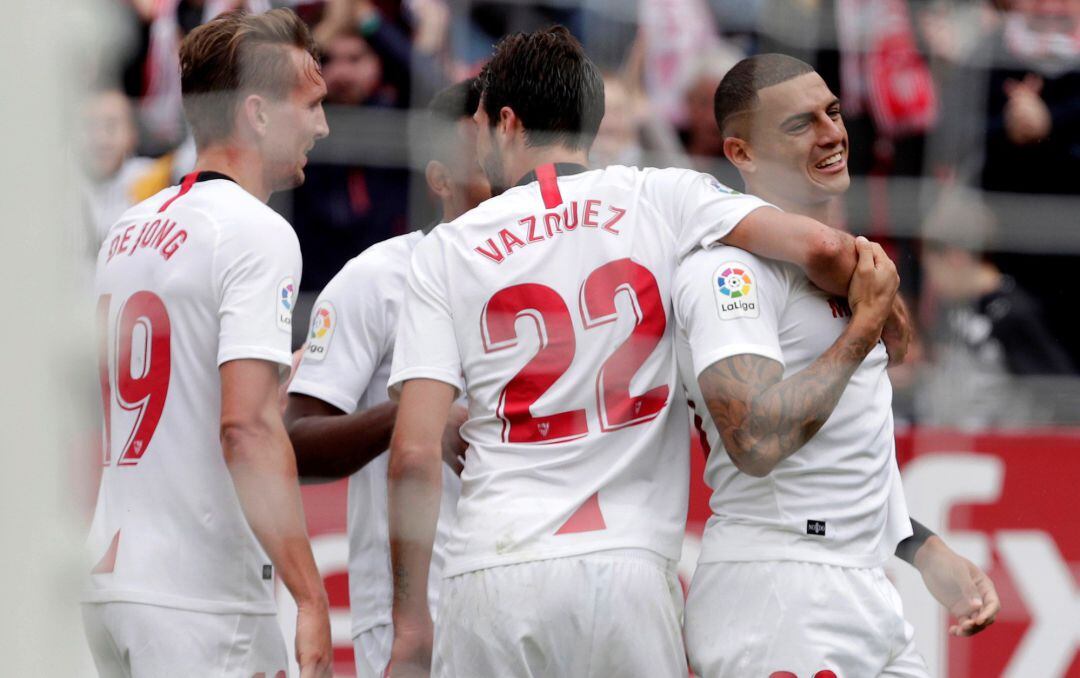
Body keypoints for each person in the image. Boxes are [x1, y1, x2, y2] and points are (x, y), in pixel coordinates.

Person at [384, 27, 899, 678]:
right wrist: (878, 308)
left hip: (494, 563)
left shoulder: (446, 248)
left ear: (507, 124)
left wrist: (409, 626)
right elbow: (826, 250)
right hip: (627, 569)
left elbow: (412, 452)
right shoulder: (659, 196)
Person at [676, 53, 998, 678]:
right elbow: (756, 441)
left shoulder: (844, 270)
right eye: (799, 125)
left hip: (860, 584)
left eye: (832, 112)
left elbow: (844, 447)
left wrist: (922, 547)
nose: (831, 134)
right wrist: (861, 331)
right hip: (778, 594)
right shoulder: (728, 272)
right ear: (741, 154)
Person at [82, 9, 332, 677]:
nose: (322, 125)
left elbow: (177, 394)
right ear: (257, 112)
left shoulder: (128, 227)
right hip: (201, 599)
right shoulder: (258, 233)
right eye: (310, 105)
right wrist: (310, 597)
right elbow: (243, 428)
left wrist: (278, 381)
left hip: (113, 576)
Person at [283, 79, 490, 678]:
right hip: (418, 617)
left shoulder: (553, 277)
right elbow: (294, 444)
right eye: (480, 161)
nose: (503, 179)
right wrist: (415, 418)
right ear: (439, 178)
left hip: (526, 599)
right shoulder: (378, 278)